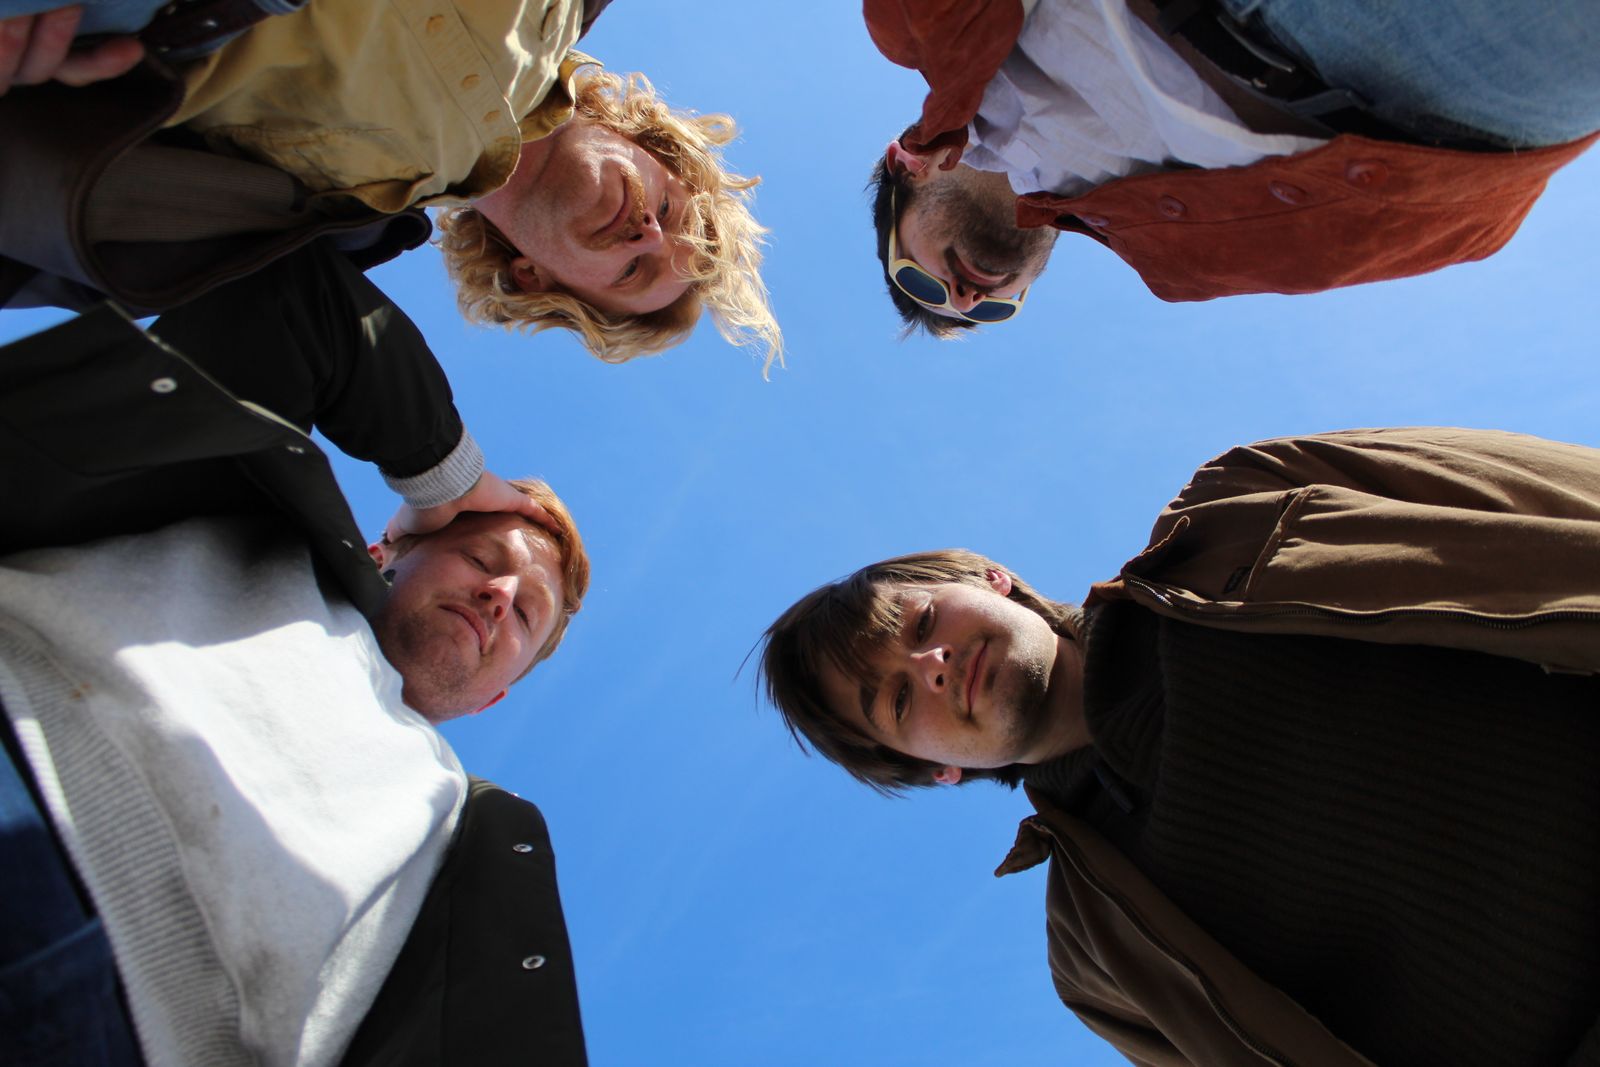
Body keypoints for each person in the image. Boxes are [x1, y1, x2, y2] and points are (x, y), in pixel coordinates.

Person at [758, 427, 1600, 1065]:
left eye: (920, 624)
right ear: (937, 769)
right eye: (898, 699)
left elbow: (1523, 492)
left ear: (989, 578)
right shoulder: (1096, 958)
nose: (933, 665)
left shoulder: (1237, 510)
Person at [0, 248, 593, 1065]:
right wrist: (448, 476)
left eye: (526, 613)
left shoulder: (461, 831)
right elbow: (292, 294)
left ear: (495, 696)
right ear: (388, 549)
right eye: (480, 558)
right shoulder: (252, 513)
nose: (497, 594)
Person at [0, 0, 780, 367]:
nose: (648, 232)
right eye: (671, 207)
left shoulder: (320, 227)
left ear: (537, 279)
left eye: (635, 270)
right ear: (647, 146)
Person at [865, 0, 1600, 336]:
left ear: (906, 172)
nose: (966, 297)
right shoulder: (1176, 263)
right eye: (992, 310)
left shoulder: (922, 31)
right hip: (1470, 103)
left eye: (919, 280)